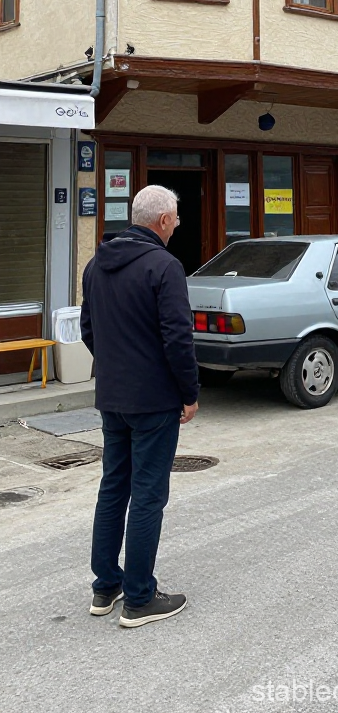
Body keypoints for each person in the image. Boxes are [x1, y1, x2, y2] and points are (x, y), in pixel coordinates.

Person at [81, 184, 199, 628]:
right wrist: (189, 392)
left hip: (112, 396)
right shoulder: (164, 266)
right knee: (148, 494)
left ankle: (105, 585)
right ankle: (139, 597)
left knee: (113, 487)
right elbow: (177, 338)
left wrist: (114, 367)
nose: (178, 224)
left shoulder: (96, 265)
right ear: (164, 221)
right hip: (153, 400)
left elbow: (89, 328)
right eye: (177, 217)